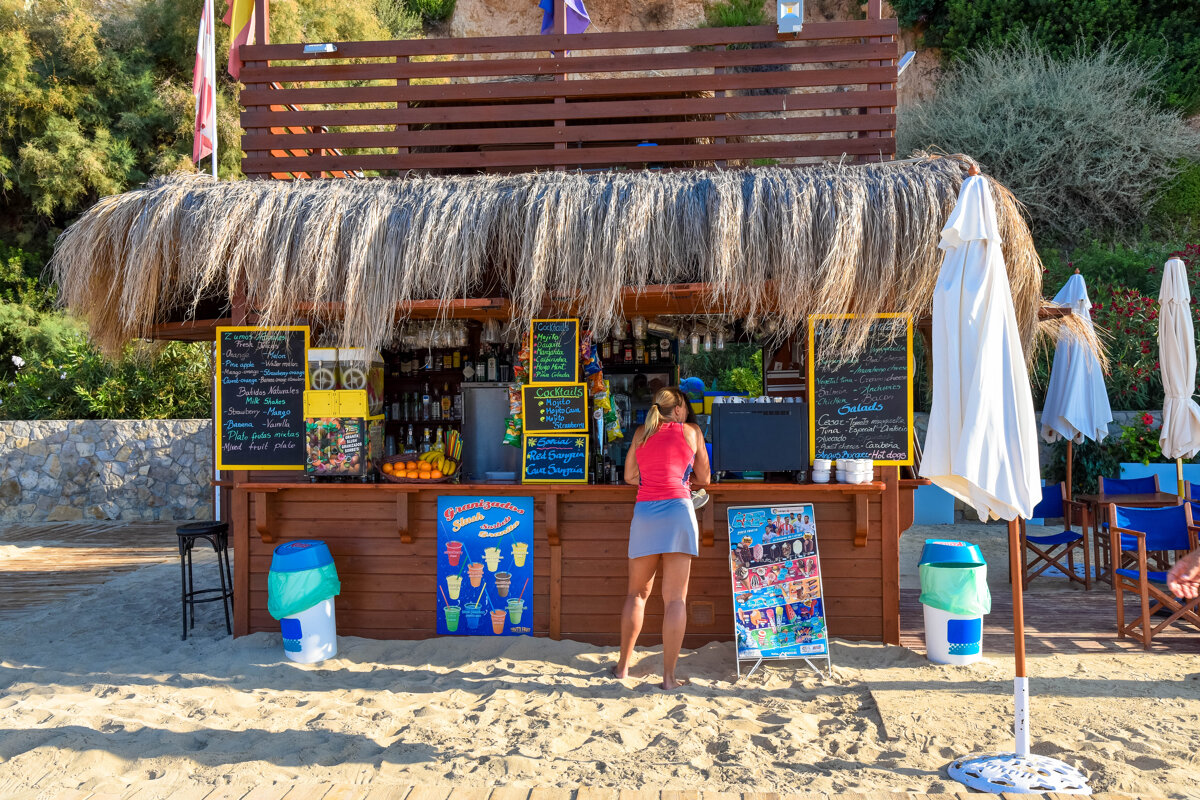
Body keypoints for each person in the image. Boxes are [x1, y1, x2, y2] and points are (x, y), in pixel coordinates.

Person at [615, 386, 710, 690]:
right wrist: (681, 479)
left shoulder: (642, 431)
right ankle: (668, 678)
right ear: (679, 409)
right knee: (675, 600)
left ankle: (621, 668)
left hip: (645, 514)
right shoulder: (691, 431)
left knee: (636, 595)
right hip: (679, 514)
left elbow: (629, 476)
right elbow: (704, 478)